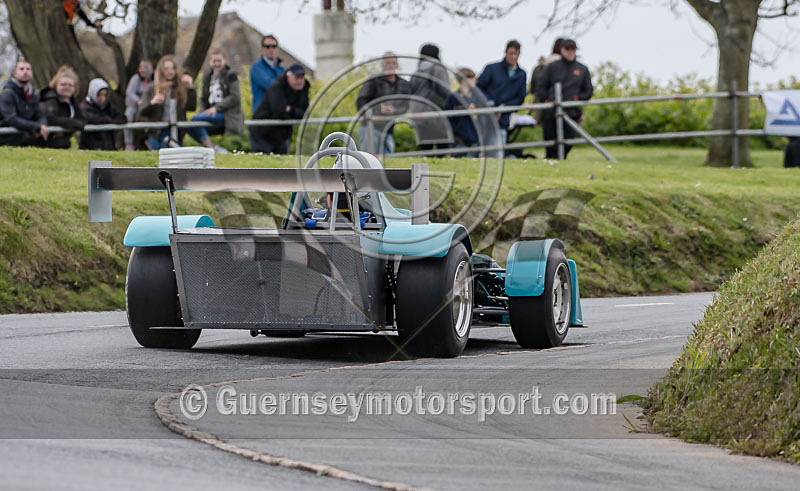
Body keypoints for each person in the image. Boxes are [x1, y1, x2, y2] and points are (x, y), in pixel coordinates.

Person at [535, 38, 593, 159]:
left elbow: (588, 91)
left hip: (572, 113)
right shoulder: (551, 67)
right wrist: (547, 100)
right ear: (562, 50)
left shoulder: (582, 69)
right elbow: (540, 85)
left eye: (573, 49)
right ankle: (551, 163)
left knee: (568, 142)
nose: (571, 51)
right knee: (550, 144)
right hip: (552, 113)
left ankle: (560, 161)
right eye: (568, 48)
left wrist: (577, 99)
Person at [187, 48, 245, 153]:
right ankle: (214, 148)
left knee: (195, 121)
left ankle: (211, 150)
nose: (217, 64)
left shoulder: (231, 75)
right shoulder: (207, 77)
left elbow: (235, 97)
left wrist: (216, 108)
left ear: (224, 60)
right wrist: (202, 112)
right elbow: (203, 98)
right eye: (214, 61)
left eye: (219, 61)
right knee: (191, 127)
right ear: (210, 61)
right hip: (211, 113)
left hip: (227, 114)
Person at [476, 40, 527, 157]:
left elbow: (520, 98)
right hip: (485, 115)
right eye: (510, 53)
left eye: (515, 54)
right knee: (480, 146)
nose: (513, 57)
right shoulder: (491, 69)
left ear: (519, 54)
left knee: (497, 151)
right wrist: (490, 103)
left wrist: (504, 108)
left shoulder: (521, 74)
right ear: (505, 53)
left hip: (503, 118)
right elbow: (478, 88)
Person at [137, 55, 197, 150]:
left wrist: (190, 88)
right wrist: (152, 103)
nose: (170, 71)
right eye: (166, 68)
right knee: (158, 160)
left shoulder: (181, 87)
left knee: (174, 160)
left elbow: (191, 107)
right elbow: (142, 111)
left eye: (172, 68)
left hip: (176, 130)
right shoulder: (153, 87)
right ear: (161, 70)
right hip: (157, 131)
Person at [356, 52, 411, 155]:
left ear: (397, 65)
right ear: (382, 65)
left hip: (388, 129)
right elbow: (361, 101)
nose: (390, 65)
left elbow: (405, 105)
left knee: (387, 162)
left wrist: (393, 110)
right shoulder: (373, 81)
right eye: (387, 63)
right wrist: (377, 111)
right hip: (370, 127)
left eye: (393, 63)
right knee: (368, 160)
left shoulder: (403, 84)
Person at [250, 64, 309, 154]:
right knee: (262, 164)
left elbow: (306, 113)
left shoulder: (305, 87)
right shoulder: (276, 87)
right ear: (288, 76)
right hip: (263, 133)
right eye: (297, 77)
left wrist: (291, 109)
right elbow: (279, 112)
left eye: (302, 78)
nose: (300, 81)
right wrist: (294, 112)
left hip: (281, 135)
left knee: (281, 165)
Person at [409, 43, 452, 149]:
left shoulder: (417, 71)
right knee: (442, 145)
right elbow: (445, 90)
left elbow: (411, 89)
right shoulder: (438, 68)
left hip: (418, 112)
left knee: (426, 146)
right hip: (435, 112)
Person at [443, 68, 492, 156]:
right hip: (458, 142)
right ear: (464, 80)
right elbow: (447, 119)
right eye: (472, 78)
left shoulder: (478, 97)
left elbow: (484, 119)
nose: (475, 81)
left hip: (475, 140)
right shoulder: (452, 97)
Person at [0, 60, 49, 147]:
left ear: (32, 73)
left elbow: (40, 115)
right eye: (21, 69)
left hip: (23, 142)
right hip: (5, 141)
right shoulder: (7, 94)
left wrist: (42, 126)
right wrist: (37, 127)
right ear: (14, 73)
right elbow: (11, 119)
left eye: (28, 69)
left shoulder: (33, 95)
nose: (25, 71)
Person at [39, 66, 84, 149]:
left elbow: (82, 121)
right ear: (55, 85)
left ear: (75, 88)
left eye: (70, 85)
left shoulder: (72, 102)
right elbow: (50, 119)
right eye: (63, 84)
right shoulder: (49, 99)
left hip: (62, 144)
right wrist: (73, 123)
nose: (67, 87)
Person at [79, 78, 126, 150]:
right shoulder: (84, 107)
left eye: (104, 95)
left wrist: (109, 121)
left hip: (109, 147)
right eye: (99, 95)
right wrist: (110, 120)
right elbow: (93, 119)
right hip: (90, 148)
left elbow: (122, 118)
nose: (102, 98)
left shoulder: (107, 106)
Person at [250, 34, 284, 112]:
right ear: (262, 49)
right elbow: (272, 86)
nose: (271, 49)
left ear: (278, 48)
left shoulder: (281, 69)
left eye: (274, 46)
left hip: (278, 114)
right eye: (267, 46)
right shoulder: (256, 68)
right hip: (262, 115)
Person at [124, 59, 153, 150]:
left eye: (145, 67)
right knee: (128, 117)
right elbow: (130, 92)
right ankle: (129, 143)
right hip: (133, 105)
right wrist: (138, 100)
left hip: (144, 107)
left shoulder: (150, 81)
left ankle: (149, 139)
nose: (142, 69)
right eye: (140, 67)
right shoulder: (135, 78)